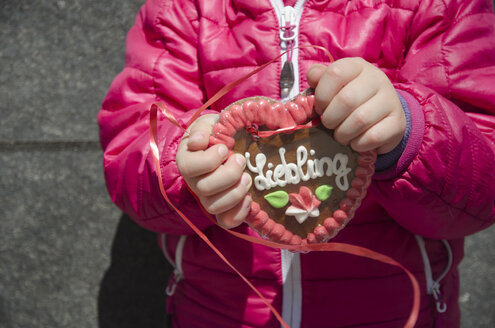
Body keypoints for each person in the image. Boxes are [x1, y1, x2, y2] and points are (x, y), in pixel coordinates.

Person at [97, 0, 495, 327]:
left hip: (397, 312)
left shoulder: (437, 5)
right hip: (218, 313)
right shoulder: (182, 9)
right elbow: (131, 150)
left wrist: (406, 135)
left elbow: (483, 188)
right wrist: (182, 167)